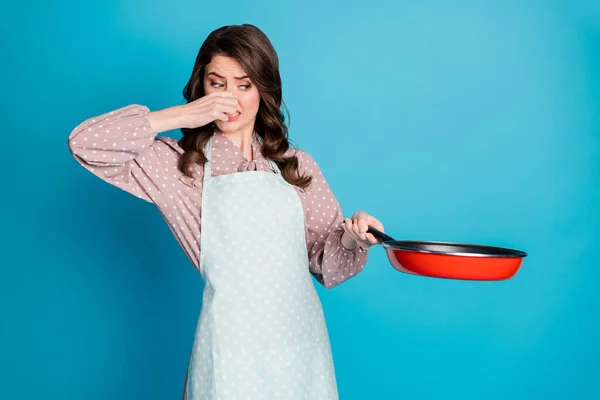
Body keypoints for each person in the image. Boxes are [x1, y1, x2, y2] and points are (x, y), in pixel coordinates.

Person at [67, 24, 384, 400]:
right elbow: (85, 143)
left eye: (244, 85)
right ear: (202, 86)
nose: (229, 99)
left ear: (264, 90)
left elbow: (326, 263)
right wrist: (181, 115)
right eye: (218, 84)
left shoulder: (295, 167)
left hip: (301, 345)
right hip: (231, 349)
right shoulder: (178, 167)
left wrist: (352, 235)